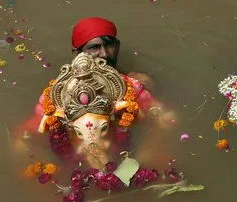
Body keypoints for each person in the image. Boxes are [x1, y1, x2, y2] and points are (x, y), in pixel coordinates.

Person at [14, 17, 174, 163]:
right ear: (77, 54)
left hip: (126, 151)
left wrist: (150, 148)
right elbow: (30, 131)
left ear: (117, 46)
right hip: (74, 157)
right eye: (94, 47)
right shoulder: (58, 93)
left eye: (109, 45)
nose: (104, 54)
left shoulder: (130, 86)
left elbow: (168, 118)